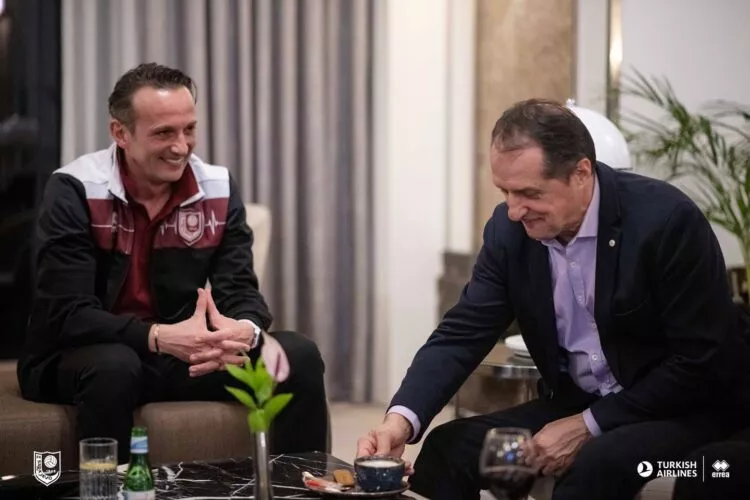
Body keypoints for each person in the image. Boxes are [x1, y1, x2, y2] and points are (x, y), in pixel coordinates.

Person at [356, 99, 750, 499]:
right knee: (449, 448)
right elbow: (462, 333)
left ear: (581, 173)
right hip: (575, 402)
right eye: (505, 191)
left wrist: (588, 425)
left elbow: (700, 361)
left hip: (678, 409)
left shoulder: (665, 222)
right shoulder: (509, 232)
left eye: (529, 192)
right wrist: (399, 421)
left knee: (596, 465)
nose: (514, 210)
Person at [17, 63, 328, 463]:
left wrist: (242, 331)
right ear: (120, 133)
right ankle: (109, 489)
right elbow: (68, 314)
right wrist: (159, 337)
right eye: (164, 133)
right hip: (84, 354)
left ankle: (297, 486)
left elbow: (240, 290)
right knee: (114, 366)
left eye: (189, 129)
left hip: (182, 356)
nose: (181, 147)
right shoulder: (75, 188)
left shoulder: (216, 187)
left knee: (298, 353)